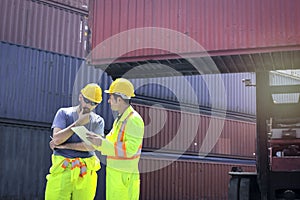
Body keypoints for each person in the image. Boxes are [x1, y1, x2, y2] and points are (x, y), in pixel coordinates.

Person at [87, 78, 144, 200]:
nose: (108, 101)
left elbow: (130, 150)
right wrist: (96, 141)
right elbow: (110, 143)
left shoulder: (134, 120)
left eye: (111, 97)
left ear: (119, 99)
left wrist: (102, 143)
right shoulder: (120, 120)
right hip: (116, 176)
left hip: (124, 178)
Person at [45, 83, 105, 200]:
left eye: (94, 103)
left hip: (85, 172)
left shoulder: (98, 121)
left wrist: (65, 146)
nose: (89, 105)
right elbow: (57, 139)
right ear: (80, 97)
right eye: (87, 101)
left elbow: (92, 147)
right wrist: (77, 124)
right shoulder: (64, 114)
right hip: (62, 170)